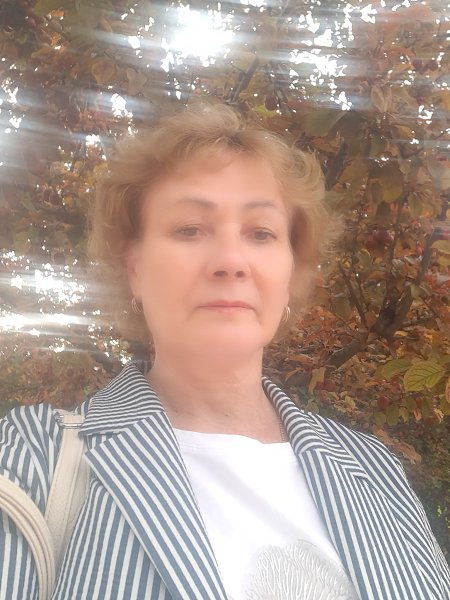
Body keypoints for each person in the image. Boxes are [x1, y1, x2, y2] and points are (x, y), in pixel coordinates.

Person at [0, 104, 448, 600]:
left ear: (289, 273)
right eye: (190, 228)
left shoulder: (376, 471)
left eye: (261, 233)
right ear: (134, 269)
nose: (232, 261)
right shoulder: (31, 458)